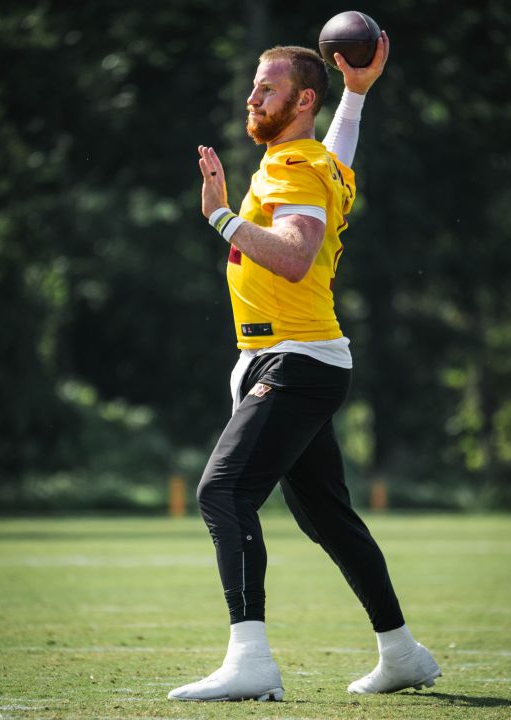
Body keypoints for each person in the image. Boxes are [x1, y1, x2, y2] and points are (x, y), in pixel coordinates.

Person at [168, 33, 441, 703]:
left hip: (295, 359)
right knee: (327, 519)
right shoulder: (314, 160)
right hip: (294, 358)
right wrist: (357, 94)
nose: (251, 96)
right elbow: (338, 152)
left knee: (222, 493)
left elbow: (293, 254)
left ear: (301, 99)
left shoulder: (292, 167)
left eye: (266, 87)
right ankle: (402, 653)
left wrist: (221, 218)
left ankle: (251, 662)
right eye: (253, 87)